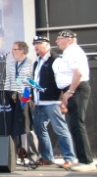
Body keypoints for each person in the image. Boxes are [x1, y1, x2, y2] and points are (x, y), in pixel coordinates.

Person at [31, 36, 76, 169]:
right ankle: (47, 157)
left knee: (60, 130)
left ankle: (69, 158)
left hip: (53, 102)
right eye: (35, 44)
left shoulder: (56, 60)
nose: (36, 46)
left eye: (39, 43)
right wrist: (34, 99)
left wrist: (63, 100)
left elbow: (62, 81)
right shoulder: (37, 62)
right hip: (39, 103)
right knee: (39, 130)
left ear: (47, 45)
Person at [54, 30, 95, 172]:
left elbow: (78, 73)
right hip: (72, 90)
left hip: (76, 90)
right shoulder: (68, 52)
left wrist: (69, 92)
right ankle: (82, 159)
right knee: (75, 125)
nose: (56, 41)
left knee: (78, 125)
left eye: (59, 38)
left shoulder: (73, 51)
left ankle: (87, 161)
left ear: (68, 40)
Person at [4, 41, 39, 164]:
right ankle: (13, 156)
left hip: (25, 98)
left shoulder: (31, 64)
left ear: (22, 50)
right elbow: (7, 82)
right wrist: (7, 98)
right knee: (12, 129)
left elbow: (32, 84)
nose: (12, 52)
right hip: (12, 99)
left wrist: (29, 99)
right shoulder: (10, 65)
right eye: (12, 49)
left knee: (29, 128)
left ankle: (33, 157)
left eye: (15, 49)